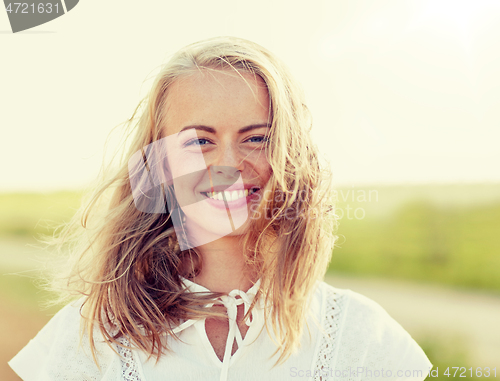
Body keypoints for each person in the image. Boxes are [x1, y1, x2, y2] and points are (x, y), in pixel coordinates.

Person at [9, 36, 432, 381]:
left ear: (291, 155)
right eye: (199, 141)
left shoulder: (362, 338)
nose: (228, 165)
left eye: (256, 138)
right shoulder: (92, 335)